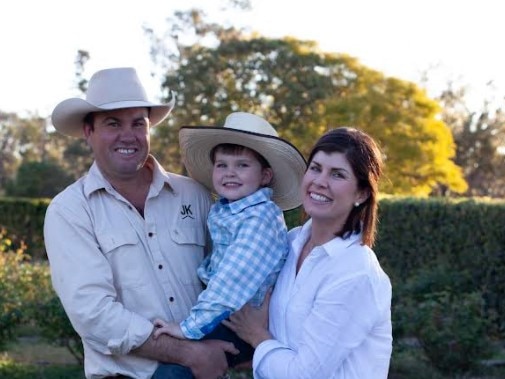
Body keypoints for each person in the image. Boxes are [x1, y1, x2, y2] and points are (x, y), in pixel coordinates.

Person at [44, 67, 239, 379]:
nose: (128, 135)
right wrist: (189, 353)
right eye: (112, 123)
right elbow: (93, 314)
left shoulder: (194, 194)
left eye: (138, 123)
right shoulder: (70, 211)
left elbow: (231, 274)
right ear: (88, 131)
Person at [224, 127, 393, 378]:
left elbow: (305, 374)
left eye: (337, 174)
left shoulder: (355, 272)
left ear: (361, 193)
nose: (320, 181)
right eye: (315, 168)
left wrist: (256, 336)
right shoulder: (288, 244)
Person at [152, 112, 306, 369]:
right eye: (222, 165)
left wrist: (187, 328)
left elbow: (231, 282)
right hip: (226, 314)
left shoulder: (259, 218)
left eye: (242, 165)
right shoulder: (230, 210)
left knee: (175, 368)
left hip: (242, 322)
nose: (229, 173)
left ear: (265, 176)